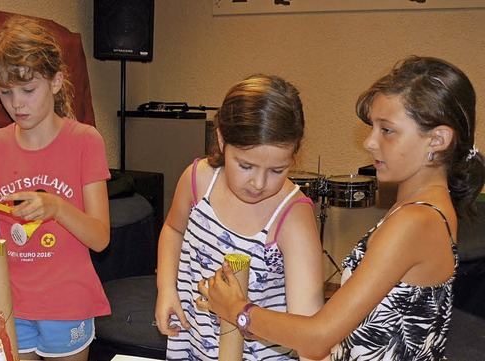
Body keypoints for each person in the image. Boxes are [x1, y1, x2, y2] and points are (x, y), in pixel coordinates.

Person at [198, 56, 485, 360]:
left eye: (387, 130)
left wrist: (236, 309)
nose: (370, 143)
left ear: (437, 139)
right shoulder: (425, 207)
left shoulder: (417, 220)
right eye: (371, 127)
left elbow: (318, 337)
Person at [0, 16, 110, 361]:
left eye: (27, 90)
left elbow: (100, 238)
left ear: (56, 81)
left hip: (67, 303)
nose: (16, 104)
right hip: (9, 300)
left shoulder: (85, 141)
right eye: (5, 92)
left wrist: (57, 208)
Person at [155, 74, 327, 360]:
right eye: (246, 165)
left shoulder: (293, 216)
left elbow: (306, 329)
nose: (259, 184)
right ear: (221, 138)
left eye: (277, 170)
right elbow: (173, 230)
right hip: (195, 345)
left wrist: (239, 311)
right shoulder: (197, 181)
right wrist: (166, 289)